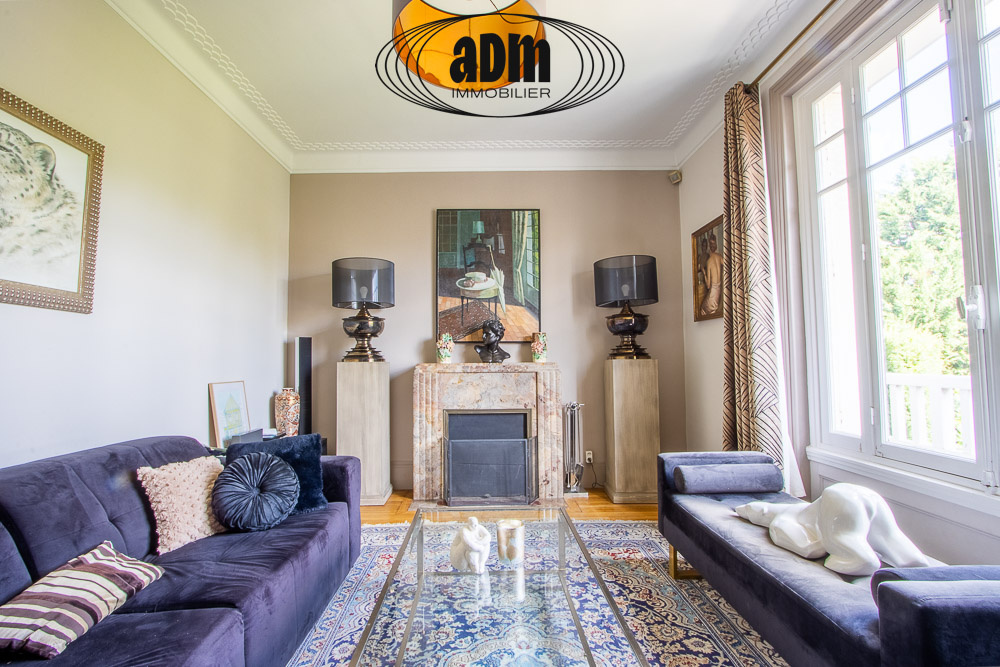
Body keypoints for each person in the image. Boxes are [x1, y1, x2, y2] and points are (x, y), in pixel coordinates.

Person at [700, 235, 723, 316]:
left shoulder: (709, 261)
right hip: (719, 293)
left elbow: (708, 285)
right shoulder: (720, 257)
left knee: (703, 310)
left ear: (709, 247)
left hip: (713, 293)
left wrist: (704, 272)